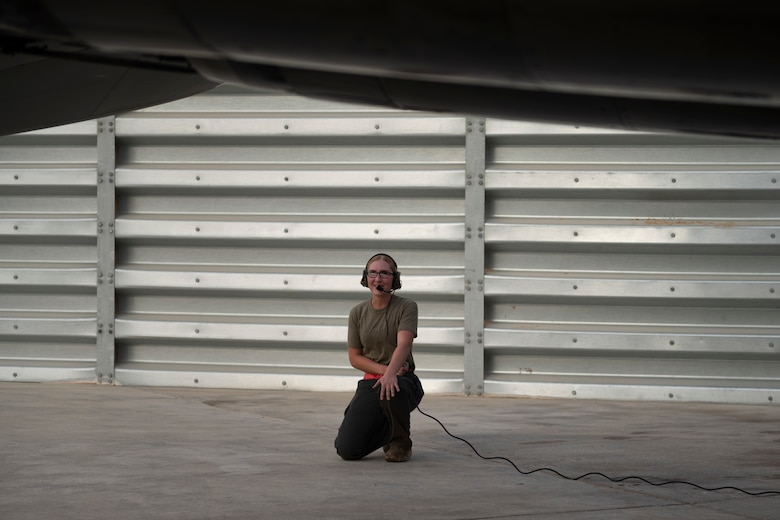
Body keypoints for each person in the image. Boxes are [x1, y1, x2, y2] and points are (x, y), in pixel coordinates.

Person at [334, 253, 424, 462]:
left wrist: (391, 374)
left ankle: (400, 442)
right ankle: (386, 429)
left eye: (384, 273)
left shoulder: (406, 306)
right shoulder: (357, 312)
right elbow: (355, 357)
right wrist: (384, 372)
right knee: (347, 450)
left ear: (394, 278)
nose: (378, 278)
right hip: (373, 380)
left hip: (402, 380)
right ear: (366, 278)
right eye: (373, 273)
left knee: (392, 388)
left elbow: (404, 343)